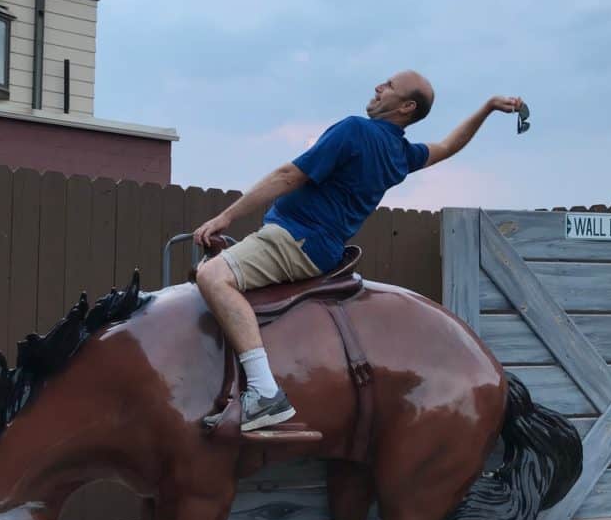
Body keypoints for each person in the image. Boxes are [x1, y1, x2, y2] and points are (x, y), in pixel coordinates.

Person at [194, 70, 523, 431]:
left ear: (406, 106)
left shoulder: (354, 130)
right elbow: (446, 148)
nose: (378, 87)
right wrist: (488, 107)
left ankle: (264, 394)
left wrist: (226, 216)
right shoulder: (399, 153)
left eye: (389, 86)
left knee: (213, 276)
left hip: (294, 239)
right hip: (321, 247)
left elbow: (289, 175)